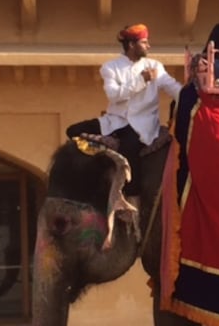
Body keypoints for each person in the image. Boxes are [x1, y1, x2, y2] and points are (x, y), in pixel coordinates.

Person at [66, 24, 183, 198]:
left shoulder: (155, 66)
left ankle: (130, 200)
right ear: (131, 45)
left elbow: (174, 89)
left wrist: (192, 95)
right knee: (73, 131)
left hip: (141, 125)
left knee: (129, 150)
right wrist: (141, 80)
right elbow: (114, 96)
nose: (148, 46)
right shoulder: (110, 67)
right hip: (115, 121)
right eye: (144, 42)